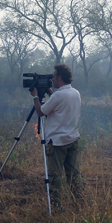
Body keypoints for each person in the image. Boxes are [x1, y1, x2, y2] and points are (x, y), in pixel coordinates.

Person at [31, 63, 83, 208]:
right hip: (72, 139)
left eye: (53, 76)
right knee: (73, 174)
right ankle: (78, 203)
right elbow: (59, 102)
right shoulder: (75, 93)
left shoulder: (59, 95)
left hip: (57, 142)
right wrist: (49, 91)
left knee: (55, 176)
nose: (52, 79)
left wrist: (35, 97)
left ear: (59, 77)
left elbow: (41, 111)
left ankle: (56, 206)